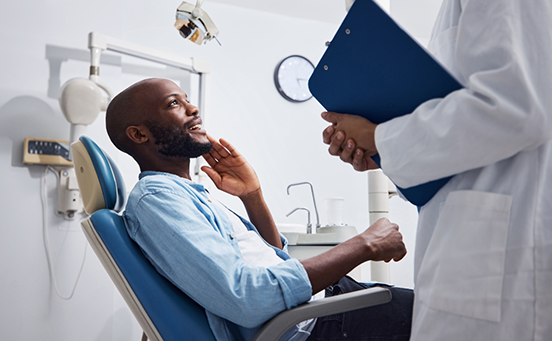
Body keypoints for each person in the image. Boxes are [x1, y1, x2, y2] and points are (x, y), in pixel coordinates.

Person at [105, 77, 413, 341]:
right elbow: (248, 298)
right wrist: (363, 244)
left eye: (187, 100)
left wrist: (253, 197)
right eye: (174, 104)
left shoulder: (184, 194)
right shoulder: (158, 200)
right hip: (318, 324)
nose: (193, 108)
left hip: (322, 308)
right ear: (139, 134)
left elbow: (272, 260)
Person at [321, 0, 552, 340]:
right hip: (467, 245)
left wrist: (379, 137)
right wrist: (383, 151)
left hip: (497, 253)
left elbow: (517, 106)